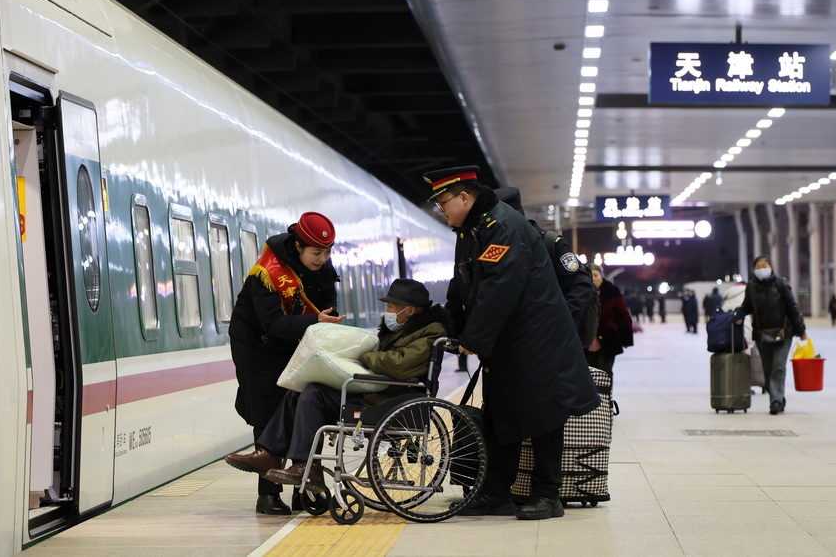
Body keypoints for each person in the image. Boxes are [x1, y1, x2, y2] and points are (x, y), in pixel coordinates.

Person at [425, 166, 599, 521]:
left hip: (535, 341)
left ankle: (549, 496)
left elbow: (500, 289)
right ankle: (495, 493)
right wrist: (455, 328)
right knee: (500, 415)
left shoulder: (502, 226)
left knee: (543, 415)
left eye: (444, 202)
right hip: (510, 342)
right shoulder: (471, 230)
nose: (441, 210)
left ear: (464, 197)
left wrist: (474, 338)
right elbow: (462, 287)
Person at [224, 279, 449, 495]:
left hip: (392, 403)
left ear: (408, 310)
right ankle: (275, 456)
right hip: (378, 395)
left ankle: (307, 467)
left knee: (313, 395)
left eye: (391, 306)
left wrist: (366, 356)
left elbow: (399, 364)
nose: (387, 311)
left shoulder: (432, 331)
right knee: (302, 390)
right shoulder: (400, 329)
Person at [228, 212, 345, 515]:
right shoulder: (265, 274)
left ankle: (305, 488)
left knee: (306, 407)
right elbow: (272, 323)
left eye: (327, 252)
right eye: (317, 253)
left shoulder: (323, 270)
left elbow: (327, 308)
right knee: (267, 414)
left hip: (298, 344)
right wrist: (315, 320)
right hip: (258, 349)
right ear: (297, 247)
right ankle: (268, 495)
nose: (323, 258)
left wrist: (325, 321)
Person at [493, 186, 599, 347]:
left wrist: (562, 322)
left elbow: (581, 284)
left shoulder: (550, 243)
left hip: (552, 343)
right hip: (512, 345)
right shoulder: (494, 249)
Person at [737, 256, 807, 415]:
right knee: (768, 370)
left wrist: (801, 331)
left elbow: (793, 308)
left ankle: (775, 401)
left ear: (772, 267)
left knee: (778, 367)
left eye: (765, 265)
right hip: (762, 335)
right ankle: (778, 397)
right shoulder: (752, 287)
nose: (762, 268)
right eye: (759, 266)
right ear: (754, 270)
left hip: (783, 334)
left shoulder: (781, 284)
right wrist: (737, 316)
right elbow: (746, 307)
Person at [585, 264, 633, 379]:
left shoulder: (612, 292)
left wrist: (626, 339)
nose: (593, 278)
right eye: (589, 275)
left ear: (602, 276)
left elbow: (623, 315)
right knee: (587, 376)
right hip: (585, 342)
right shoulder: (581, 292)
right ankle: (592, 397)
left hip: (607, 340)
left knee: (604, 374)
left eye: (596, 275)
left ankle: (605, 397)